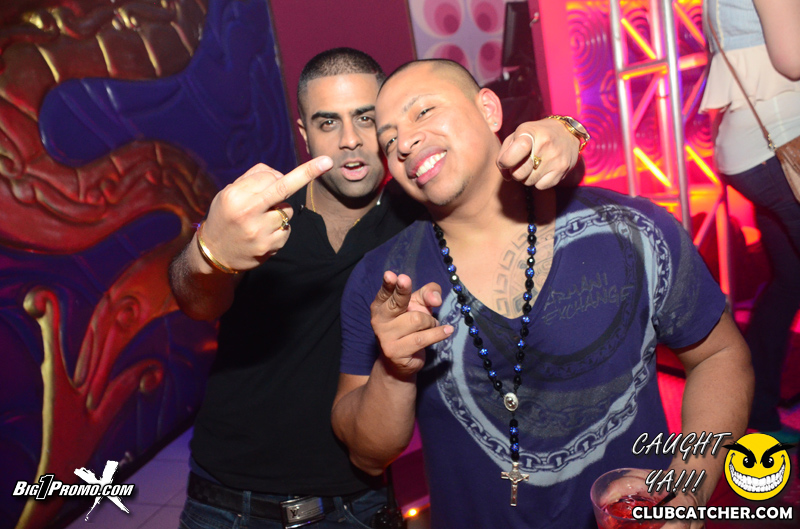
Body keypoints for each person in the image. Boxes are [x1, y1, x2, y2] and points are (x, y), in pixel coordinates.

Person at [169, 48, 583, 529]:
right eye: (327, 122)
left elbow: (504, 176)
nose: (349, 140)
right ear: (304, 134)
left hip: (359, 502)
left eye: (366, 118)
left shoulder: (422, 210)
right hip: (227, 501)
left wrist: (564, 131)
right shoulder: (261, 215)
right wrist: (208, 255)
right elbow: (194, 301)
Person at [332, 59, 754, 528]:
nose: (405, 143)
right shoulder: (384, 282)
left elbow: (720, 357)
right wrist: (394, 369)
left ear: (489, 109)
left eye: (424, 112)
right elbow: (368, 455)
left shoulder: (632, 230)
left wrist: (690, 486)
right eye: (389, 141)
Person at [701, 0, 800, 440]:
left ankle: (757, 413)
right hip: (778, 144)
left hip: (759, 147)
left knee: (791, 281)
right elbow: (792, 60)